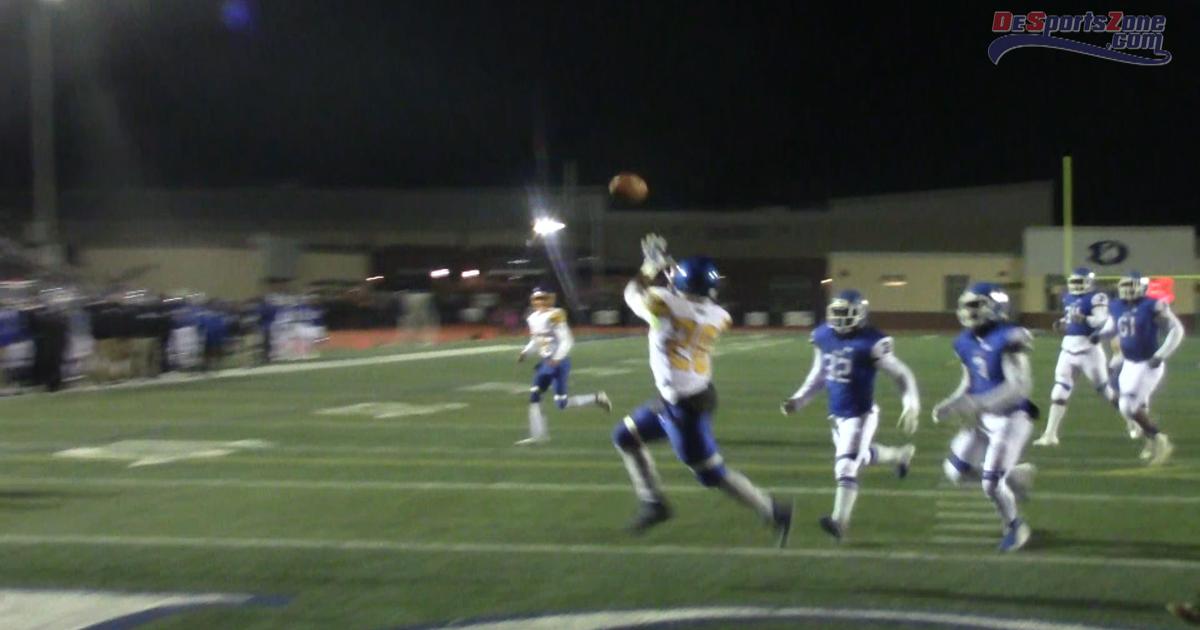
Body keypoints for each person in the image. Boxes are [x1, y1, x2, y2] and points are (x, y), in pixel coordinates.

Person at [611, 234, 792, 546]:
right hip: (686, 395)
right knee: (625, 436)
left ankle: (773, 510)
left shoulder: (663, 304)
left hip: (686, 408)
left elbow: (632, 293)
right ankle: (654, 503)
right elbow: (685, 302)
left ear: (682, 284)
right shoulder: (720, 315)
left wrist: (650, 266)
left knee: (711, 475)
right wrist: (672, 275)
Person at [781, 289, 919, 541]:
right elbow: (819, 374)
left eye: (846, 313)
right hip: (837, 415)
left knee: (846, 466)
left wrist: (911, 404)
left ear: (860, 314)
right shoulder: (824, 335)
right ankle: (900, 455)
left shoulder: (871, 342)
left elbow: (901, 374)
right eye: (837, 312)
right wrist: (799, 399)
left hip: (861, 415)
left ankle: (839, 522)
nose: (840, 318)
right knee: (862, 457)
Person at [932, 282, 1038, 553]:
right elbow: (969, 381)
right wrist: (952, 403)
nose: (969, 311)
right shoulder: (964, 341)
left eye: (975, 305)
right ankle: (1014, 477)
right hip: (982, 416)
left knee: (990, 484)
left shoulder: (1009, 336)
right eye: (966, 305)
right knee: (955, 471)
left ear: (995, 306)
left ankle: (1015, 526)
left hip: (1010, 417)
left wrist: (978, 405)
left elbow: (1019, 387)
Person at [1033, 267, 1126, 446]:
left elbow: (1102, 320)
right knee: (1059, 389)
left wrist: (1084, 319)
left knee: (1105, 391)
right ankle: (1050, 434)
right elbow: (1070, 318)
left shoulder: (1097, 297)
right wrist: (1062, 323)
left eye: (1079, 282)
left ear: (1089, 282)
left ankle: (1133, 421)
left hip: (1089, 350)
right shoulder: (1068, 297)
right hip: (1067, 349)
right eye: (1074, 282)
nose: (1076, 286)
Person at [516, 287, 610, 445]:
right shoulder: (532, 318)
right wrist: (525, 352)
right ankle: (538, 435)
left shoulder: (556, 315)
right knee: (534, 396)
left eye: (542, 298)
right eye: (537, 299)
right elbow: (536, 340)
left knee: (562, 404)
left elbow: (567, 340)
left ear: (548, 299)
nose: (540, 302)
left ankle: (597, 398)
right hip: (545, 362)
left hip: (558, 363)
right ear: (533, 301)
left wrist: (558, 358)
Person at [1108, 271, 1181, 465]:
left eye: (1132, 286)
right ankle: (1154, 439)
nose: (1129, 291)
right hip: (1129, 363)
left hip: (1148, 363)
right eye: (1126, 287)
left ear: (1142, 287)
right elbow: (1113, 327)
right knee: (1125, 405)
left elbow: (1176, 330)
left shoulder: (1152, 305)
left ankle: (1160, 440)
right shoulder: (1116, 306)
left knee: (1129, 405)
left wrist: (1161, 354)